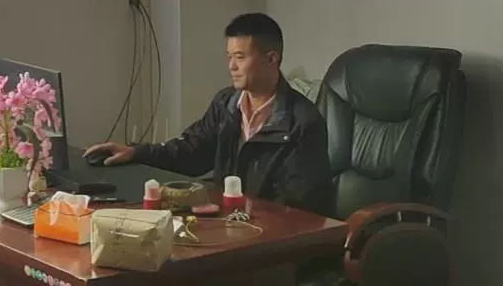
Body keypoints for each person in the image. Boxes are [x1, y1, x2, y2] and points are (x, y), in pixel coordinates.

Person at [86, 13, 332, 216]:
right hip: (229, 225)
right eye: (229, 57)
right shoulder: (226, 104)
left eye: (240, 57)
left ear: (271, 59)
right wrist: (136, 152)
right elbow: (191, 151)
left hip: (269, 240)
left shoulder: (303, 123)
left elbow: (298, 210)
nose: (231, 66)